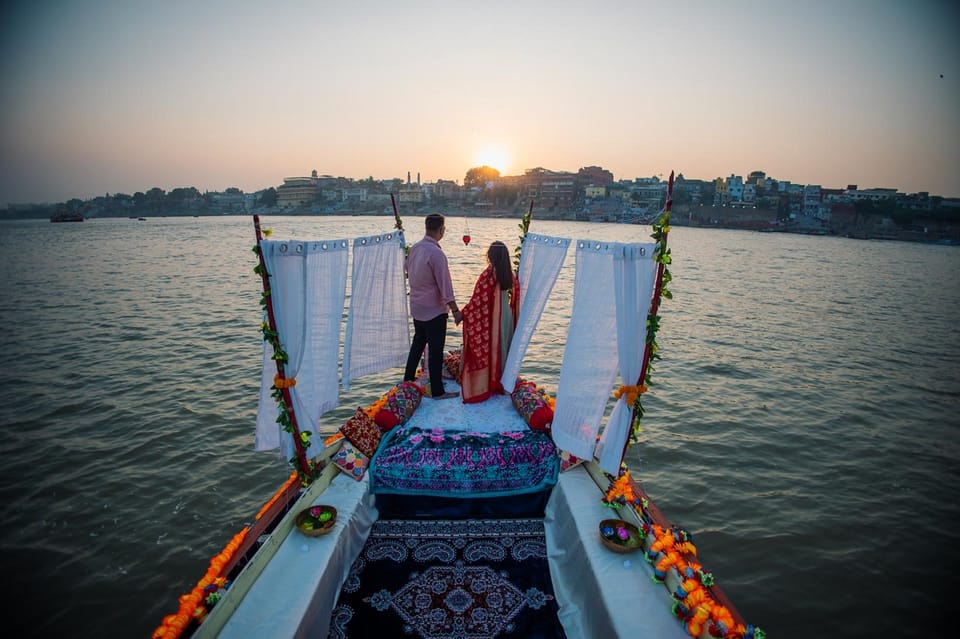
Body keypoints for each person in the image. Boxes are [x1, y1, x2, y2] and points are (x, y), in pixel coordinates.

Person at [403, 213, 462, 399]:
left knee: (418, 344)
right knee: (435, 351)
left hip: (417, 307)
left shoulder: (414, 249)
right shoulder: (436, 253)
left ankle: (407, 380)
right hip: (434, 310)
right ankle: (437, 391)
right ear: (441, 230)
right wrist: (455, 310)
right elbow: (446, 285)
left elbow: (406, 270)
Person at [459, 240, 520, 403]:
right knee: (502, 347)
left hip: (492, 316)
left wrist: (464, 313)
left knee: (492, 346)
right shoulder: (509, 273)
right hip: (505, 314)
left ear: (490, 256)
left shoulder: (488, 274)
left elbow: (477, 299)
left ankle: (488, 381)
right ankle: (502, 380)